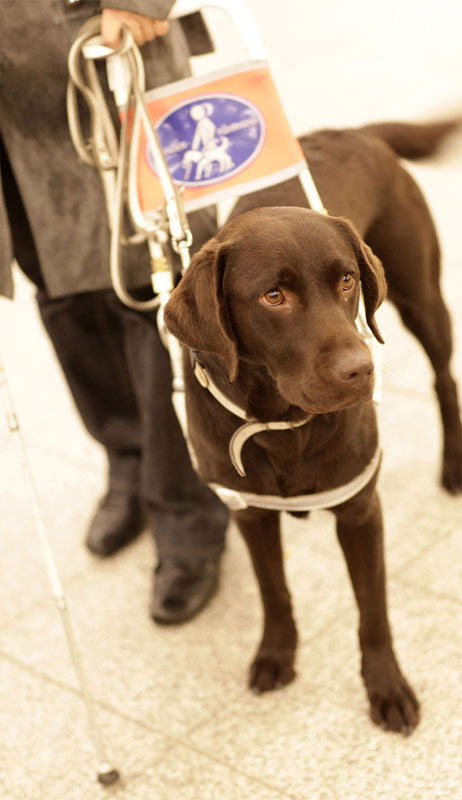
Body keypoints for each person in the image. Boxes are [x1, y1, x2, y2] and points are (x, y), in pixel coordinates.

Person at [0, 1, 229, 624]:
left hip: (109, 42)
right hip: (12, 87)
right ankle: (128, 454)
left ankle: (187, 507)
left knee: (156, 283)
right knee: (61, 282)